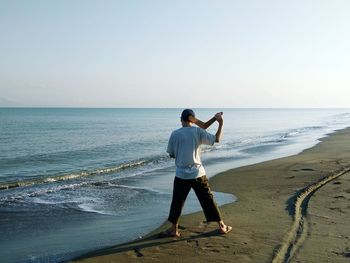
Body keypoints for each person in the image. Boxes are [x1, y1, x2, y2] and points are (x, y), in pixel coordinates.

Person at [164, 109, 232, 237]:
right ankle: (222, 226)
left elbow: (171, 154)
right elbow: (216, 139)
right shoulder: (197, 131)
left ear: (181, 119)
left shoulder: (175, 134)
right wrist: (220, 123)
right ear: (193, 119)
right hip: (197, 173)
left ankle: (174, 229)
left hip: (181, 174)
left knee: (177, 202)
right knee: (208, 200)